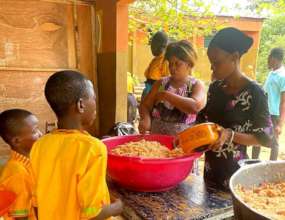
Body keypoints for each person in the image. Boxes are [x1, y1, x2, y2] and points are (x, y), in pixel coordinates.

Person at [30, 71, 123, 220]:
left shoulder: (39, 145)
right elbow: (93, 214)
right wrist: (116, 208)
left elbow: (36, 203)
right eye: (94, 98)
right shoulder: (92, 148)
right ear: (81, 105)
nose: (96, 104)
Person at [198, 27, 275, 191]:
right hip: (210, 173)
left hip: (236, 177)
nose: (212, 68)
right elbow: (202, 121)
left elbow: (264, 138)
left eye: (216, 62)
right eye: (211, 63)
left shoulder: (255, 93)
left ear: (234, 57)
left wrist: (230, 135)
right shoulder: (215, 88)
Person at [139, 40, 206, 135]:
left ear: (189, 64)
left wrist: (166, 95)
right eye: (170, 64)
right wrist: (146, 119)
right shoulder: (161, 84)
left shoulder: (196, 85)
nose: (172, 68)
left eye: (178, 64)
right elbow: (145, 106)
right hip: (157, 140)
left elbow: (195, 106)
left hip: (183, 143)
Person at [0, 109, 42, 220]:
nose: (40, 134)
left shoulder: (29, 163)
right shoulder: (17, 172)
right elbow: (20, 216)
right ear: (17, 141)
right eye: (35, 131)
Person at [252, 47, 285, 160]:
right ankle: (253, 163)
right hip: (263, 112)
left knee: (273, 142)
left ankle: (272, 167)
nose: (268, 61)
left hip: (273, 115)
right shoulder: (272, 73)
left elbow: (283, 102)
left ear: (275, 59)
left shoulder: (283, 76)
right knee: (258, 137)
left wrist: (280, 124)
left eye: (269, 58)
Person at [142, 31, 170, 99]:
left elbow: (166, 80)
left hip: (156, 92)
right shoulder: (154, 60)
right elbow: (147, 74)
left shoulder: (165, 60)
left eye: (154, 45)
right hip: (148, 88)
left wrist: (159, 96)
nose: (152, 48)